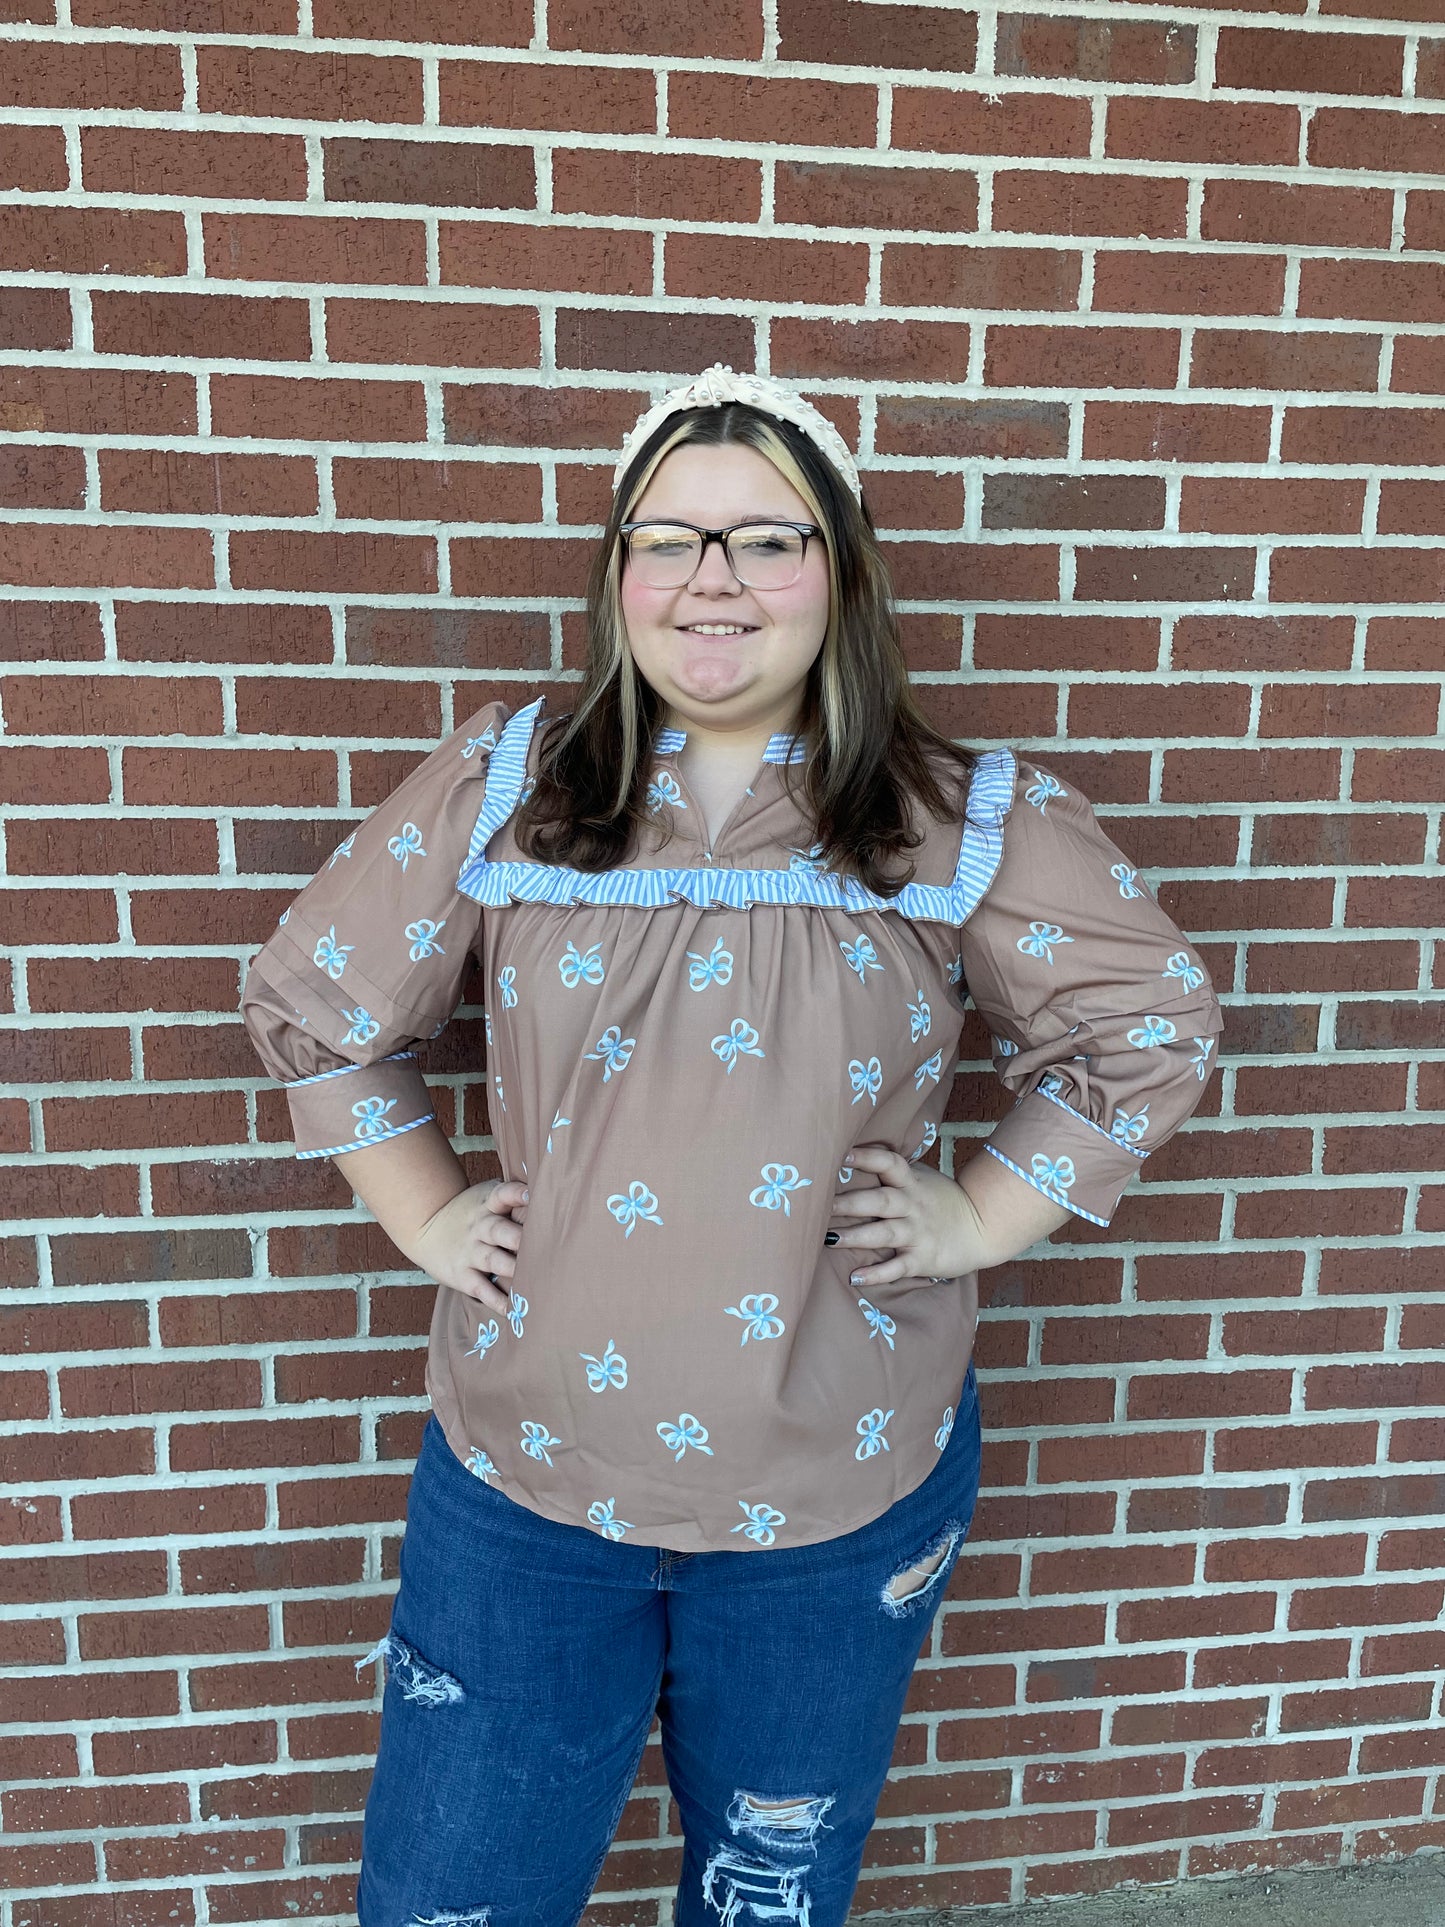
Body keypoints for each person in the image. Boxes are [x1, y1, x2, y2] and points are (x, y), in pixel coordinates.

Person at [240, 362, 1224, 1927]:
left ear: (839, 573)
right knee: (454, 1893)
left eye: (766, 540)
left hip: (835, 1488)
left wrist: (976, 1216)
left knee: (768, 1890)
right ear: (616, 572)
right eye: (667, 538)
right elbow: (322, 1001)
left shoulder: (957, 819)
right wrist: (425, 1214)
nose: (712, 581)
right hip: (526, 1483)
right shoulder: (514, 787)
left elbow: (1146, 1023)